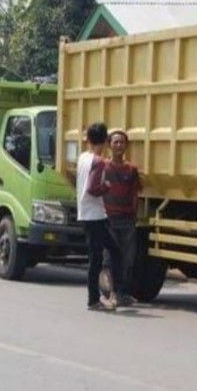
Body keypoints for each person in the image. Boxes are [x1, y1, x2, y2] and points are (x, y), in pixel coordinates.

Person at [76, 122, 123, 311]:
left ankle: (103, 294)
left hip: (86, 213)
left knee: (101, 255)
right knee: (108, 254)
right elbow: (93, 188)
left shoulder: (83, 158)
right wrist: (107, 187)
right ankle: (98, 298)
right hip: (94, 215)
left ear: (88, 139)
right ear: (105, 141)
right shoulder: (98, 161)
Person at [102, 130, 142, 306]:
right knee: (110, 259)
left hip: (127, 220)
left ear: (126, 146)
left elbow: (135, 193)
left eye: (122, 142)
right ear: (109, 145)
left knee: (128, 259)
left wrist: (134, 215)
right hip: (109, 220)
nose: (118, 145)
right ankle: (110, 294)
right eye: (115, 142)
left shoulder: (132, 170)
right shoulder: (104, 167)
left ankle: (123, 293)